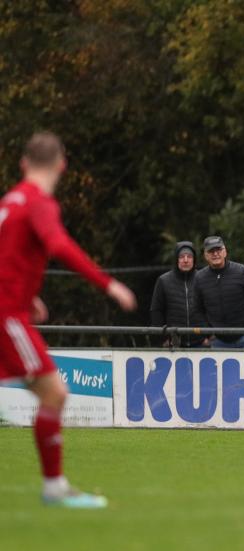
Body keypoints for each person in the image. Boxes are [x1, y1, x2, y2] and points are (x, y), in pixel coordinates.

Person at [0, 132, 137, 508]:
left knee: (51, 392)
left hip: (12, 310)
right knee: (55, 393)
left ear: (24, 163)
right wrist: (108, 284)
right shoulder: (38, 203)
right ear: (62, 164)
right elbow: (59, 245)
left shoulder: (10, 202)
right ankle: (54, 487)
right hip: (7, 317)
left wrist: (31, 296)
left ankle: (54, 486)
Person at [193, 235, 244, 349]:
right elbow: (197, 309)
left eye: (218, 250)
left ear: (225, 252)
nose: (215, 254)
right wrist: (208, 333)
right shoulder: (199, 278)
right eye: (211, 251)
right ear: (205, 255)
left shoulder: (241, 271)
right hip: (217, 341)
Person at [150, 241, 206, 348]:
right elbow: (156, 312)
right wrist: (164, 339)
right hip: (174, 345)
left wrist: (209, 336)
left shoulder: (203, 278)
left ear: (194, 259)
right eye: (181, 256)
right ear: (176, 259)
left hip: (201, 343)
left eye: (189, 256)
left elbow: (211, 308)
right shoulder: (163, 280)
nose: (185, 260)